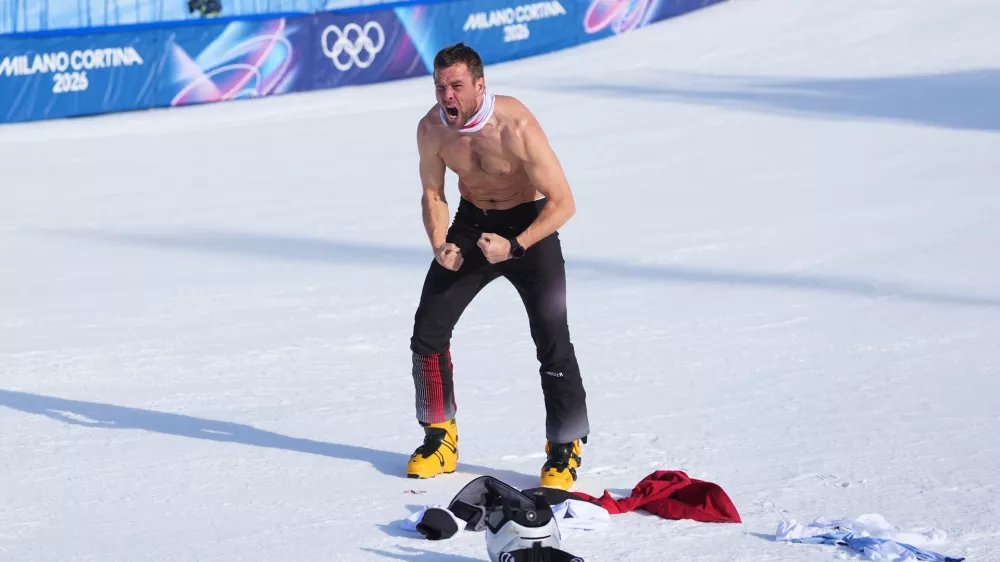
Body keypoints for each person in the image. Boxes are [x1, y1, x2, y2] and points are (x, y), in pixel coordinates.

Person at [405, 42, 590, 490]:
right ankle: (439, 436)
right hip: (472, 223)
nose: (446, 95)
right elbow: (433, 194)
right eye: (439, 86)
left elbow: (564, 202)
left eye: (456, 85)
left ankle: (565, 445)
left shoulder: (516, 125)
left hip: (530, 225)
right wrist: (439, 242)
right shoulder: (432, 129)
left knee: (552, 335)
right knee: (428, 327)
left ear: (479, 85)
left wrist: (516, 245)